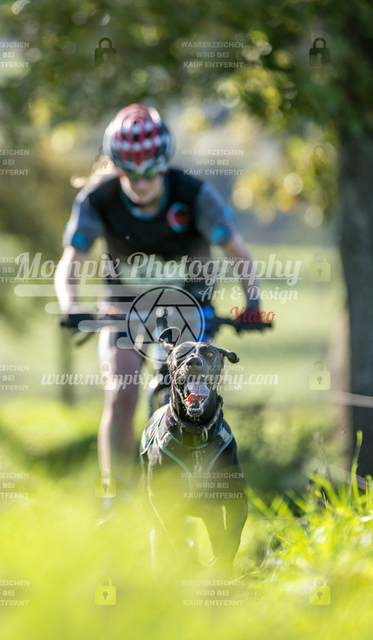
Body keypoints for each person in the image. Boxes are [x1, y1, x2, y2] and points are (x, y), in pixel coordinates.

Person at [54, 103, 263, 497]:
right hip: (123, 308)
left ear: (164, 165)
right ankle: (115, 496)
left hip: (189, 306)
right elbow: (70, 263)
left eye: (150, 172)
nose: (141, 182)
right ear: (116, 167)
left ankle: (191, 488)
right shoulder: (98, 199)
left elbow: (238, 252)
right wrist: (71, 306)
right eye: (130, 173)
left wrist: (253, 303)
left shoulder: (193, 194)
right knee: (121, 391)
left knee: (190, 390)